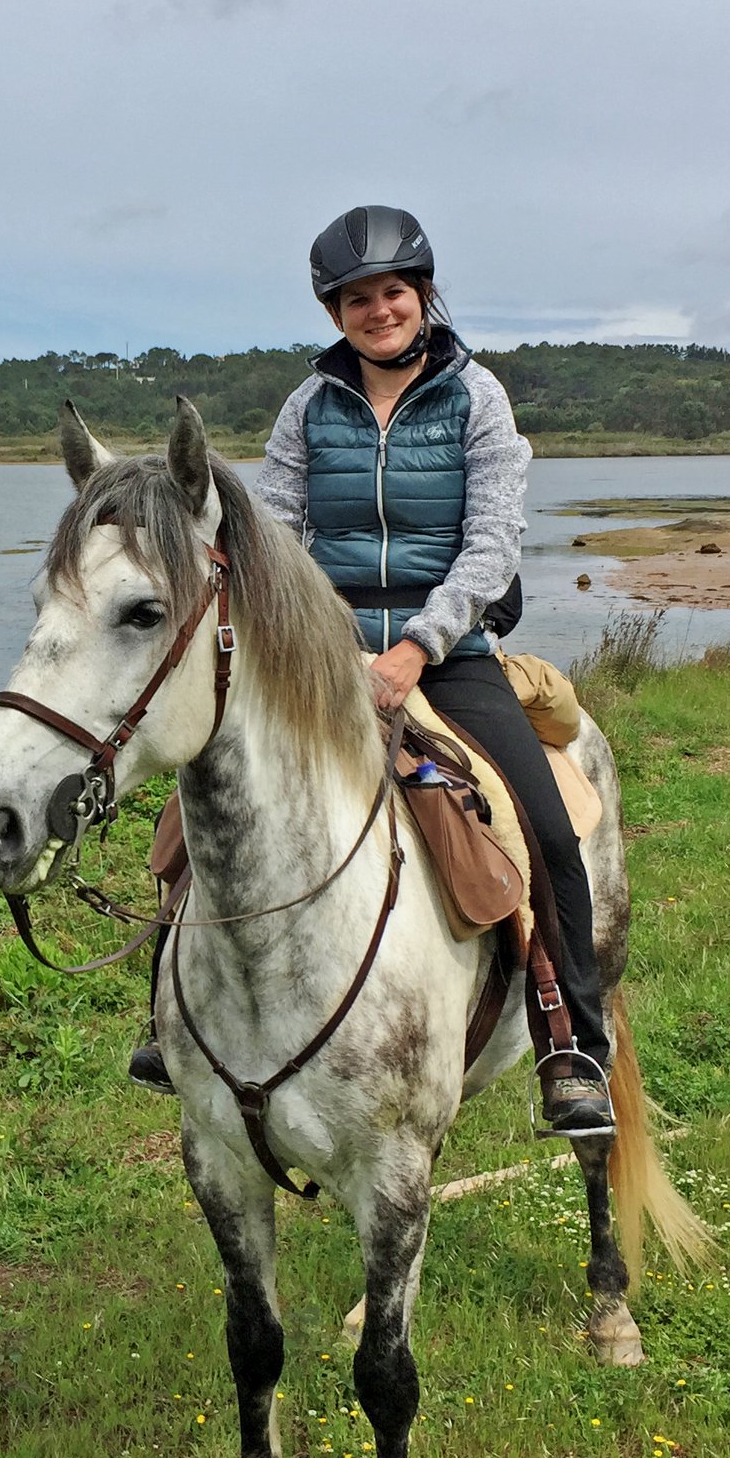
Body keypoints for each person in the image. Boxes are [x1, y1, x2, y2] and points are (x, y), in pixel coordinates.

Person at [129, 203, 613, 1137]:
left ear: (422, 295)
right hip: (327, 656)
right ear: (334, 312)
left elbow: (492, 544)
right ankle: (172, 1016)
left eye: (393, 291)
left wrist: (416, 644)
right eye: (357, 299)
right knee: (195, 812)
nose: (378, 310)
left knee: (547, 831)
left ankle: (572, 1046)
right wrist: (321, 641)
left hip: (449, 657)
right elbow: (268, 531)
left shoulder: (479, 399)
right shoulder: (309, 407)